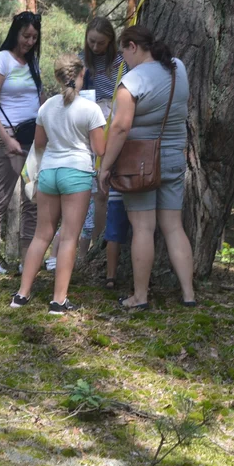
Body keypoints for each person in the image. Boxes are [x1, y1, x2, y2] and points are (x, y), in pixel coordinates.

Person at [98, 26, 195, 309]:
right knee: (173, 227)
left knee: (142, 228)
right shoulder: (178, 67)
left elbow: (119, 128)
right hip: (174, 156)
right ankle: (188, 294)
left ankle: (140, 297)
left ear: (132, 46)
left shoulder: (132, 81)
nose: (123, 61)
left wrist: (106, 167)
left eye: (124, 54)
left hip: (139, 163)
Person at [11, 55, 105, 313]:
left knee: (41, 236)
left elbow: (39, 143)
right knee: (69, 239)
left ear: (57, 77)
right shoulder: (90, 109)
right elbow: (99, 148)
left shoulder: (47, 107)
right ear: (81, 74)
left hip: (49, 173)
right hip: (76, 174)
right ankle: (58, 300)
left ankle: (21, 295)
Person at [0, 11, 42, 276]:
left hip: (35, 138)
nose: (29, 41)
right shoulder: (2, 59)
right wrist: (6, 138)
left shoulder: (32, 63)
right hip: (10, 137)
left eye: (33, 37)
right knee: (1, 197)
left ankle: (26, 257)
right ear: (15, 33)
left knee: (33, 199)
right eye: (25, 35)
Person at [81, 17, 132, 282]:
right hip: (89, 123)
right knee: (92, 187)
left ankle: (108, 240)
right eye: (92, 42)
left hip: (114, 120)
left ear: (111, 41)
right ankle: (91, 242)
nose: (96, 46)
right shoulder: (83, 60)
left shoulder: (121, 62)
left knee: (109, 186)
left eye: (101, 42)